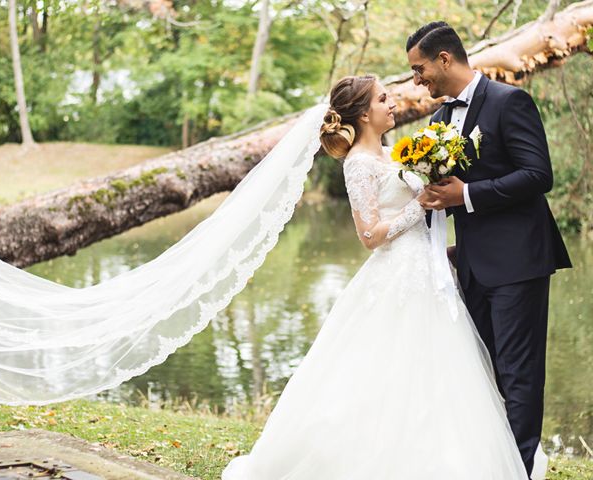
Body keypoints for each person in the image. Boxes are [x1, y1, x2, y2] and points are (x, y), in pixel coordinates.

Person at [221, 74, 534, 480]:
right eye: (384, 98)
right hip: (395, 276)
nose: (392, 104)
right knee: (385, 369)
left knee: (439, 370)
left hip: (430, 270)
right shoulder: (358, 164)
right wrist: (418, 206)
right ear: (364, 113)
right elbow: (369, 235)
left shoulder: (398, 154)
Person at [407, 21, 571, 478]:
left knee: (519, 374)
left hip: (519, 260)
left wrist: (467, 195)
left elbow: (538, 175)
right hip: (469, 264)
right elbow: (440, 191)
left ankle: (517, 471)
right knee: (483, 371)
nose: (416, 80)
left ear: (444, 58)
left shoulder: (508, 101)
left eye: (419, 69)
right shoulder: (439, 121)